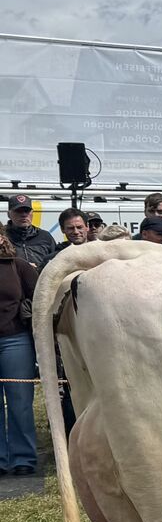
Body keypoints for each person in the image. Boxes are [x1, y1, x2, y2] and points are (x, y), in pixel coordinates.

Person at [0, 229, 41, 477]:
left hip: (15, 340)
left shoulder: (19, 266)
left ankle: (23, 457)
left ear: (2, 237)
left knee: (20, 402)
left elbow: (39, 300)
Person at [5, 196, 57, 270]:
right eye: (19, 211)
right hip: (11, 281)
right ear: (9, 214)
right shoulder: (3, 237)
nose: (24, 215)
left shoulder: (45, 236)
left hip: (39, 280)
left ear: (32, 213)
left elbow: (55, 263)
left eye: (27, 211)